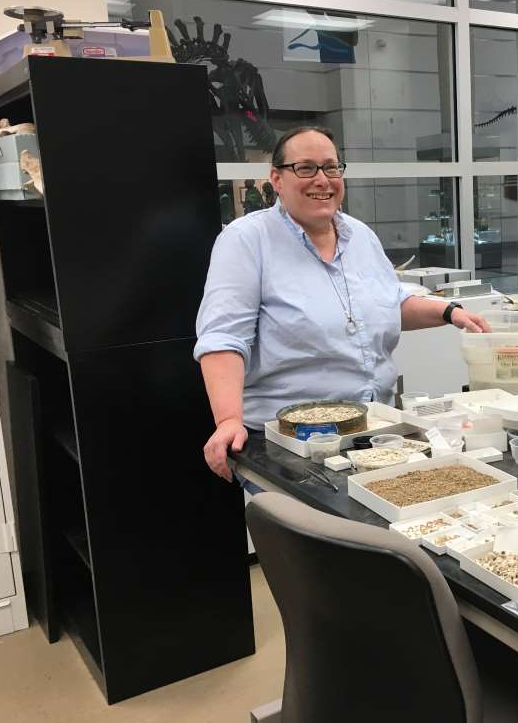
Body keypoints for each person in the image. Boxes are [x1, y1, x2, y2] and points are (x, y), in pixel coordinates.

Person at [195, 125, 490, 482]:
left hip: (374, 428)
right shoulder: (246, 241)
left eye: (331, 167)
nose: (322, 179)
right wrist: (228, 419)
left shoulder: (360, 235)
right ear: (277, 179)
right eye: (305, 168)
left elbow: (389, 304)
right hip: (291, 445)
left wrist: (450, 312)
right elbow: (224, 338)